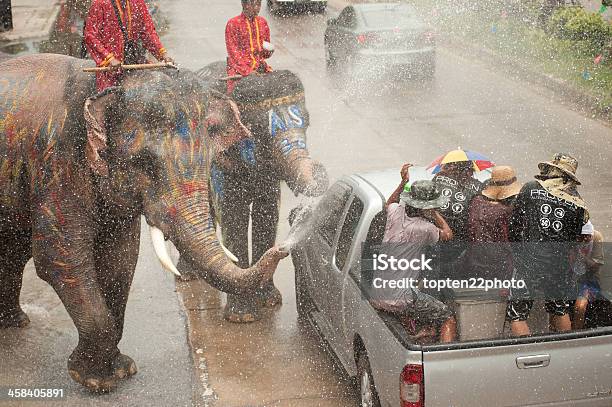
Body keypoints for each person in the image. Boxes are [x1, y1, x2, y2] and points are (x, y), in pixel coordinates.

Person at [370, 164, 456, 343]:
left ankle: (423, 330)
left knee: (419, 289)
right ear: (426, 207)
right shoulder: (424, 229)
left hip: (378, 292)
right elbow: (448, 234)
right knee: (447, 316)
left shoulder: (394, 213)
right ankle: (443, 357)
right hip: (398, 299)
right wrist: (434, 213)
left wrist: (403, 182)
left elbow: (390, 202)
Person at [506, 153, 589, 336]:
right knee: (559, 309)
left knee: (518, 314)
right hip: (558, 266)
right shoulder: (577, 203)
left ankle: (528, 356)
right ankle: (565, 351)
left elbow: (513, 225)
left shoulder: (530, 188)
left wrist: (519, 253)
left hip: (528, 262)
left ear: (551, 170)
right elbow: (573, 239)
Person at [84, 0, 174, 92]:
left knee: (158, 87)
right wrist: (109, 58)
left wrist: (163, 54)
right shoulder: (100, 3)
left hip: (135, 59)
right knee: (109, 98)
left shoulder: (137, 2)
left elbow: (148, 32)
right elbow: (90, 36)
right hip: (111, 68)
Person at [461, 166, 522, 281]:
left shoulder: (475, 202)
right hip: (499, 266)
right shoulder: (508, 211)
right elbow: (512, 238)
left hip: (473, 262)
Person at [225, 0, 273, 93]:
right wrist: (247, 71)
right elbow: (233, 53)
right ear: (243, 4)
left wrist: (269, 52)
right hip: (239, 70)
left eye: (258, 4)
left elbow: (265, 54)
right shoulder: (233, 23)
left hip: (261, 68)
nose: (256, 8)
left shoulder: (263, 23)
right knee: (237, 95)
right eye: (252, 4)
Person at [572, 221, 605, 329]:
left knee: (580, 307)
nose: (585, 239)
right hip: (571, 279)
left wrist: (581, 256)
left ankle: (576, 336)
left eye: (588, 236)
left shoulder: (596, 237)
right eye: (582, 236)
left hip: (588, 280)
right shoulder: (572, 239)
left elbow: (595, 266)